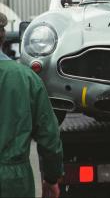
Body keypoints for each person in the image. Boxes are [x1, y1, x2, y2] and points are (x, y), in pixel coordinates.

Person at [0, 12, 63, 198]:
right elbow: (49, 136)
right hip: (14, 184)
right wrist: (52, 177)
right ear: (3, 36)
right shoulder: (26, 78)